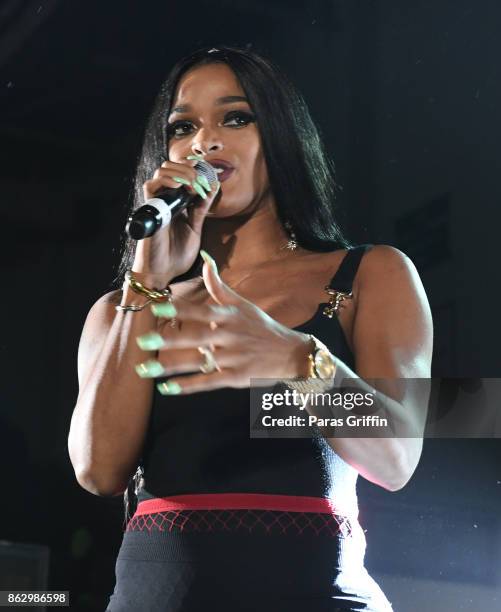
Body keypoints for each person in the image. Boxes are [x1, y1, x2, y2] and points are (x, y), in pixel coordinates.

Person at [68, 45, 433, 611]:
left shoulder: (370, 274)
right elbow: (98, 470)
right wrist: (148, 280)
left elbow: (397, 460)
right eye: (183, 126)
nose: (203, 142)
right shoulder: (121, 309)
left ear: (280, 138)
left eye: (235, 117)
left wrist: (296, 359)